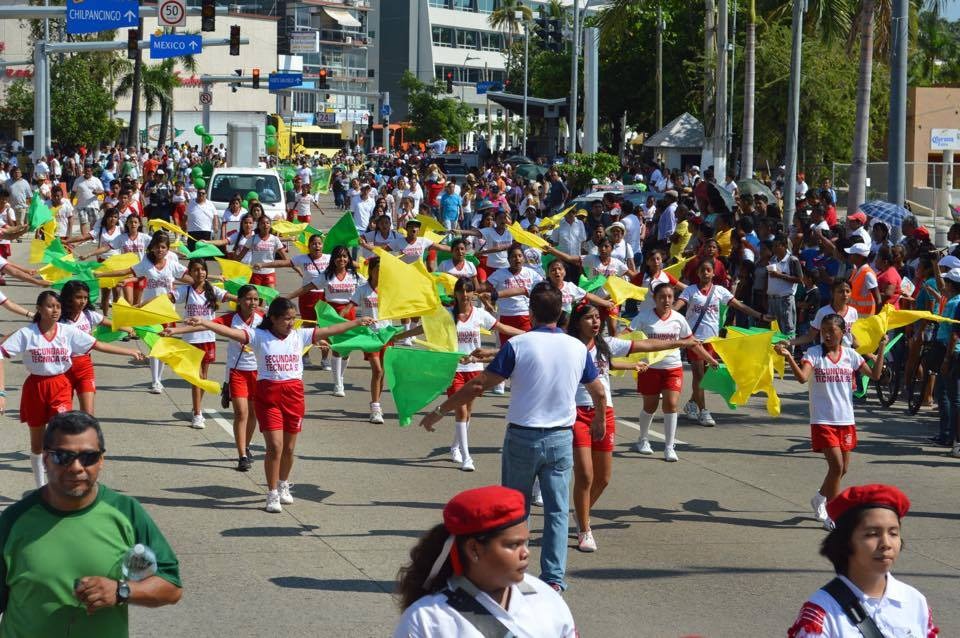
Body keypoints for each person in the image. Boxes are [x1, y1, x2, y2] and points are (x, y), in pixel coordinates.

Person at [419, 283, 606, 592]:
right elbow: (598, 389)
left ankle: (513, 575)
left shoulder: (520, 345)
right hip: (561, 438)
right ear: (560, 313)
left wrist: (440, 410)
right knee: (557, 511)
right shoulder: (576, 347)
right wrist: (599, 417)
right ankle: (554, 580)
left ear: (530, 313)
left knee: (515, 512)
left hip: (523, 437)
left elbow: (479, 385)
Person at [0, 412, 182, 637]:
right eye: (63, 457)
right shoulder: (13, 522)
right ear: (45, 459)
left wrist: (120, 591)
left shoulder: (126, 513)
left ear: (102, 460)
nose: (76, 467)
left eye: (88, 457)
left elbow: (170, 587)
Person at [186, 297, 374, 512]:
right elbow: (230, 333)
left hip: (294, 396)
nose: (290, 323)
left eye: (293, 318)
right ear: (273, 318)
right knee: (274, 447)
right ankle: (272, 492)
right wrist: (204, 322)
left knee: (289, 448)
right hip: (268, 397)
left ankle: (284, 484)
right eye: (286, 319)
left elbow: (331, 330)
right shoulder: (259, 336)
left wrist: (357, 322)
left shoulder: (299, 336)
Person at [566, 301, 691, 552]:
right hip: (576, 413)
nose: (596, 322)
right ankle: (584, 529)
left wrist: (679, 343)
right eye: (589, 318)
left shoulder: (606, 345)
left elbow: (645, 345)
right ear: (577, 322)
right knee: (586, 475)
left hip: (605, 413)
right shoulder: (567, 346)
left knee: (603, 478)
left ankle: (581, 514)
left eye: (597, 318)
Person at [0, 291, 145, 488]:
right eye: (50, 306)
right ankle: (40, 488)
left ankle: (58, 485)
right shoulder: (27, 333)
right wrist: (1, 391)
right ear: (39, 308)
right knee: (37, 445)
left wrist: (129, 351)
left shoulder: (67, 331)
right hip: (35, 388)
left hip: (60, 386)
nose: (55, 310)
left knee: (61, 437)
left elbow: (98, 345)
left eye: (58, 307)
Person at [393, 485, 576, 637]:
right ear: (474, 549)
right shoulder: (427, 620)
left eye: (525, 543)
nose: (525, 553)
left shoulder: (545, 598)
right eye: (513, 545)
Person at [776, 315, 887, 530]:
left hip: (846, 419)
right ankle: (835, 514)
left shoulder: (852, 356)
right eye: (824, 330)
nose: (826, 334)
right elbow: (802, 377)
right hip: (823, 420)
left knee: (843, 468)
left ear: (843, 333)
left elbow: (875, 375)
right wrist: (789, 356)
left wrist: (881, 348)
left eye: (832, 330)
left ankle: (819, 498)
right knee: (836, 466)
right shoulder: (814, 354)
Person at [787, 484, 938, 638]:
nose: (886, 543)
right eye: (872, 534)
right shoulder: (822, 613)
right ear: (845, 541)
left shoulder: (915, 601)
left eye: (893, 533)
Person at [171, 284, 262, 471]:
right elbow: (205, 324)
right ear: (240, 300)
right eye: (248, 299)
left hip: (258, 373)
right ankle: (242, 455)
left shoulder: (263, 319)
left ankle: (247, 445)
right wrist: (176, 331)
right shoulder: (231, 319)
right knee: (241, 413)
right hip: (237, 372)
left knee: (253, 414)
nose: (252, 302)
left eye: (255, 299)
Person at [675, 258, 771, 426]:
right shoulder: (690, 291)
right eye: (702, 270)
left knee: (705, 376)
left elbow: (740, 306)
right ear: (697, 273)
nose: (705, 273)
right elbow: (677, 307)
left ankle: (691, 403)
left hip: (712, 341)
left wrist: (760, 316)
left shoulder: (720, 291)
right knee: (698, 375)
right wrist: (664, 315)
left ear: (713, 273)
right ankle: (703, 412)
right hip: (693, 340)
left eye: (708, 270)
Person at [94, 231, 192, 393]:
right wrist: (102, 274)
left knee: (163, 346)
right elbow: (124, 272)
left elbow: (194, 278)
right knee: (154, 346)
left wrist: (211, 280)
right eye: (157, 247)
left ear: (168, 249)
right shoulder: (146, 264)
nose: (160, 250)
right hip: (149, 312)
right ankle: (155, 381)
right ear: (151, 248)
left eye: (163, 247)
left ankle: (158, 379)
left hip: (167, 312)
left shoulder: (173, 264)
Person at [630, 282, 717, 461]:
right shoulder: (643, 317)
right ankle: (643, 439)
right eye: (662, 297)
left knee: (671, 404)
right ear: (654, 299)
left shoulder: (678, 319)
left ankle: (669, 447)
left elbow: (692, 342)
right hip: (649, 368)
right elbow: (627, 337)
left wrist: (710, 359)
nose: (666, 300)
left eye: (670, 297)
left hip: (673, 368)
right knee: (650, 406)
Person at [163, 259, 235, 429]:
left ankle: (197, 408)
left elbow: (230, 297)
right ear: (190, 273)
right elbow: (165, 299)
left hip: (208, 338)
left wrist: (250, 300)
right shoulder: (185, 290)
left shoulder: (213, 290)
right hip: (191, 340)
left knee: (203, 377)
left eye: (203, 269)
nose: (200, 273)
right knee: (197, 378)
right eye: (195, 270)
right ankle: (197, 413)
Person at [286, 245, 364, 397]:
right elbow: (306, 288)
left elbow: (372, 286)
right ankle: (338, 384)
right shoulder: (326, 276)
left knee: (347, 350)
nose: (342, 259)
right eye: (339, 256)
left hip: (350, 313)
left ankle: (340, 377)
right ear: (333, 259)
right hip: (331, 315)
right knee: (336, 347)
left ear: (348, 259)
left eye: (345, 256)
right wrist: (286, 297)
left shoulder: (355, 276)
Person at [58, 280, 134, 416]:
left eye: (85, 298)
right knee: (63, 415)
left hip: (84, 366)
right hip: (63, 367)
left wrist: (128, 328)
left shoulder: (88, 315)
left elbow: (108, 322)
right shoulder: (58, 318)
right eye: (78, 297)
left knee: (88, 415)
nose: (83, 301)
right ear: (68, 298)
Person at [71, 163, 104, 237]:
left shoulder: (96, 180)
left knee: (93, 222)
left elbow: (102, 190)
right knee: (83, 222)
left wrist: (97, 192)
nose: (87, 172)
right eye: (86, 171)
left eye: (89, 171)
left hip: (93, 205)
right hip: (81, 205)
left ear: (92, 172)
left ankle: (92, 237)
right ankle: (84, 237)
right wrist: (71, 201)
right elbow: (73, 192)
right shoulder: (78, 180)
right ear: (83, 171)